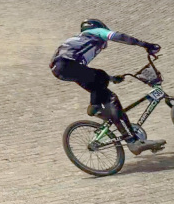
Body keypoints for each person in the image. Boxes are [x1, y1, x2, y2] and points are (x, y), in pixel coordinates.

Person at [50, 19, 165, 155]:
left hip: (61, 69)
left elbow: (85, 73)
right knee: (108, 93)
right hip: (67, 65)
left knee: (100, 82)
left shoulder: (79, 40)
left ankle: (100, 110)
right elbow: (119, 37)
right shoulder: (95, 32)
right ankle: (132, 140)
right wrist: (146, 45)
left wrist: (111, 78)